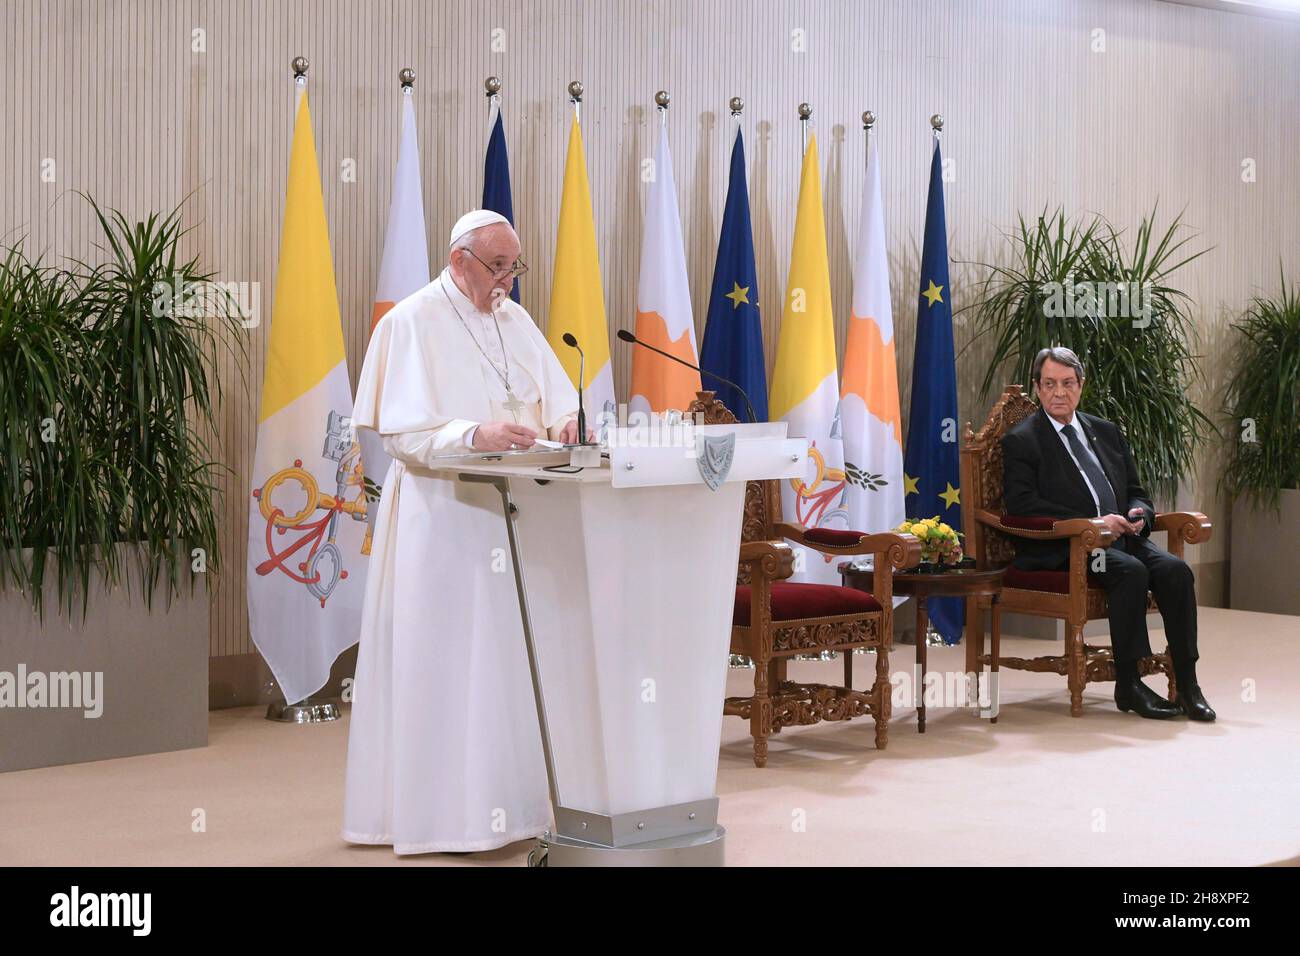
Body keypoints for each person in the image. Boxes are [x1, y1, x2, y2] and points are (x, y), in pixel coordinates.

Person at [341, 210, 588, 855]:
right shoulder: (410, 321)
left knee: (506, 663)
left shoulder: (515, 317)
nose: (507, 280)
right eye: (497, 267)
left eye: (514, 266)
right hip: (441, 516)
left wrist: (566, 422)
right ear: (459, 262)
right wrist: (472, 434)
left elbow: (555, 394)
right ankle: (440, 818)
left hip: (514, 516)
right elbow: (398, 433)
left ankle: (514, 810)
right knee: (447, 662)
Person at [1000, 346, 1215, 722]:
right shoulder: (1024, 440)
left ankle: (1187, 681)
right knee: (1129, 571)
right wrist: (1095, 523)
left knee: (1174, 570)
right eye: (1049, 384)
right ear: (1037, 388)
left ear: (1081, 386)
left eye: (1067, 383)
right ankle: (1129, 683)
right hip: (1069, 547)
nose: (1059, 393)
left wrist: (1137, 512)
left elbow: (1136, 490)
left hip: (1124, 537)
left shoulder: (1105, 431)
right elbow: (1022, 505)